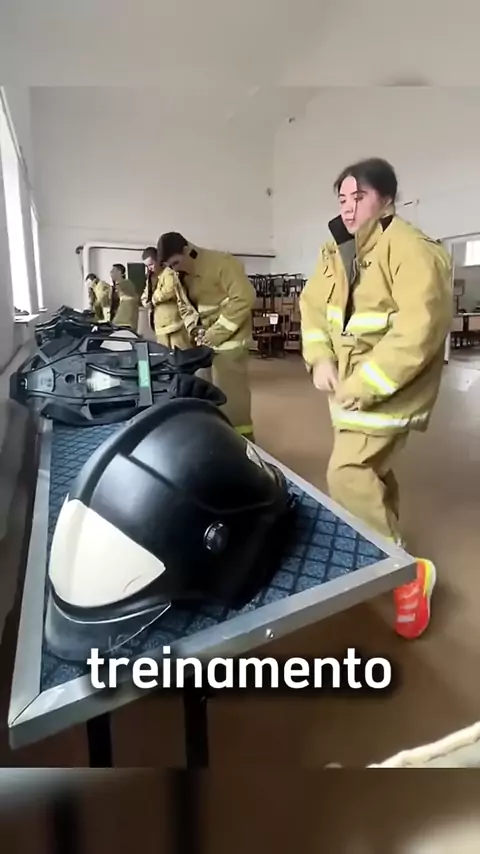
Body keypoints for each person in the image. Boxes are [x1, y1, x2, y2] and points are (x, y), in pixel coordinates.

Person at [299, 157, 453, 640]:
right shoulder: (337, 249)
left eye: (359, 196)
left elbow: (419, 329)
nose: (348, 207)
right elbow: (313, 308)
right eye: (342, 198)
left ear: (386, 200)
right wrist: (319, 358)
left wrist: (367, 383)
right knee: (373, 472)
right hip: (348, 387)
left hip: (389, 389)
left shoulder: (411, 249)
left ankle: (404, 574)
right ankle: (380, 544)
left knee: (347, 472)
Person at [157, 232, 256, 440]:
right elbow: (184, 306)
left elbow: (244, 298)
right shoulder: (179, 275)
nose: (174, 269)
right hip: (204, 345)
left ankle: (244, 446)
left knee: (232, 402)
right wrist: (195, 329)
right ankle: (217, 440)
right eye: (170, 266)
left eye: (176, 263)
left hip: (230, 344)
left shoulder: (222, 264)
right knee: (206, 397)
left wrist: (216, 333)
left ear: (187, 251)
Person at [141, 247, 197, 348]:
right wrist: (146, 301)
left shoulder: (168, 273)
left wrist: (154, 298)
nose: (149, 268)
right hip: (160, 326)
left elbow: (169, 290)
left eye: (151, 264)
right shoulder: (150, 278)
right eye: (147, 266)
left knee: (181, 352)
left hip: (174, 325)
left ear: (158, 260)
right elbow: (146, 295)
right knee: (164, 354)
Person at [110, 263, 141, 330]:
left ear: (119, 272)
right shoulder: (116, 286)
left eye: (113, 271)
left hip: (124, 322)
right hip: (117, 321)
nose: (111, 273)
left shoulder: (127, 285)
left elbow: (131, 300)